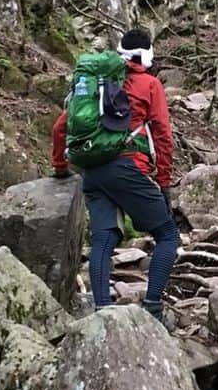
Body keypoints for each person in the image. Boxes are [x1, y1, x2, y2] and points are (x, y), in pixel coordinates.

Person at [51, 28, 179, 324]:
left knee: (103, 241)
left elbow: (60, 128)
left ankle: (103, 314)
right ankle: (153, 309)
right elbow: (162, 135)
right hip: (128, 168)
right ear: (148, 55)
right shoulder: (149, 84)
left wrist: (60, 167)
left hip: (93, 173)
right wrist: (164, 183)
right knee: (168, 236)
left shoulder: (96, 83)